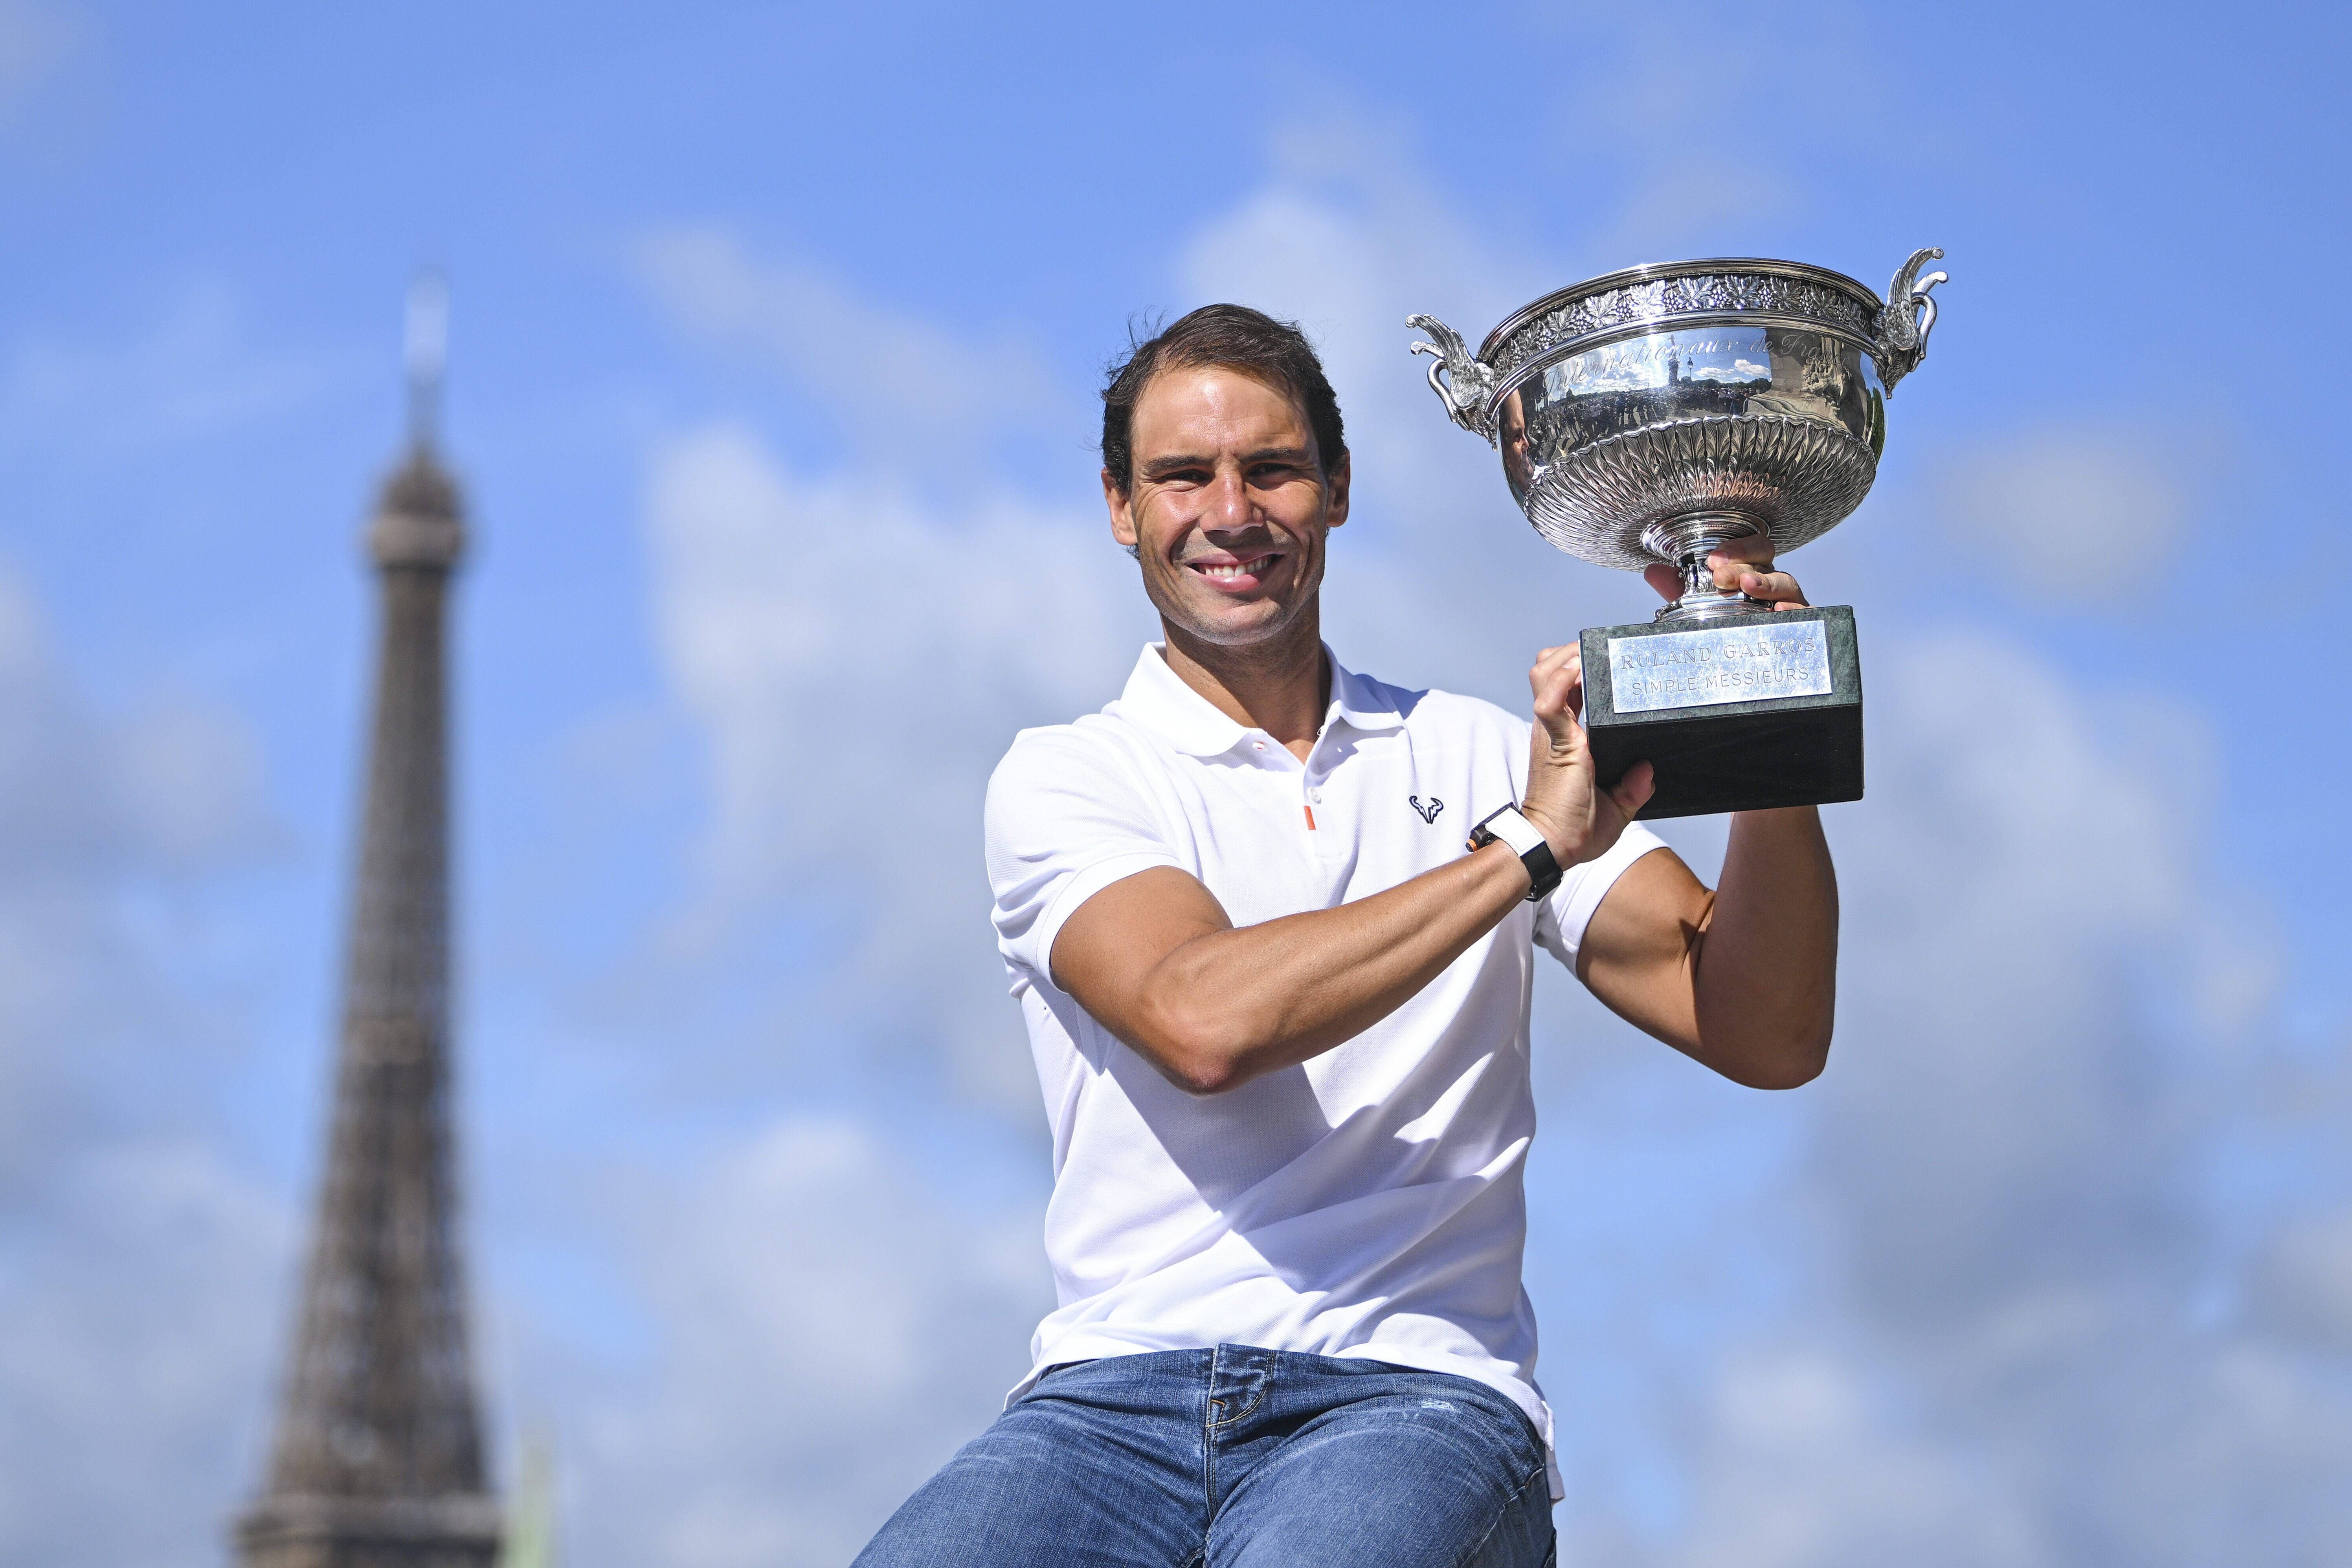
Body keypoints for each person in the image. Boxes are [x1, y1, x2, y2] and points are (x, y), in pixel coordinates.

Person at [854, 305, 1838, 1568]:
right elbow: (1203, 1023)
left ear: (1338, 488)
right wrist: (1522, 851)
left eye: (1271, 469)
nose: (1230, 512)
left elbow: (1765, 1032)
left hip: (1413, 1394)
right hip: (1109, 1404)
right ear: (1119, 507)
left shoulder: (1482, 752)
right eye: (1182, 475)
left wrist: (1767, 724)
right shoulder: (1069, 775)